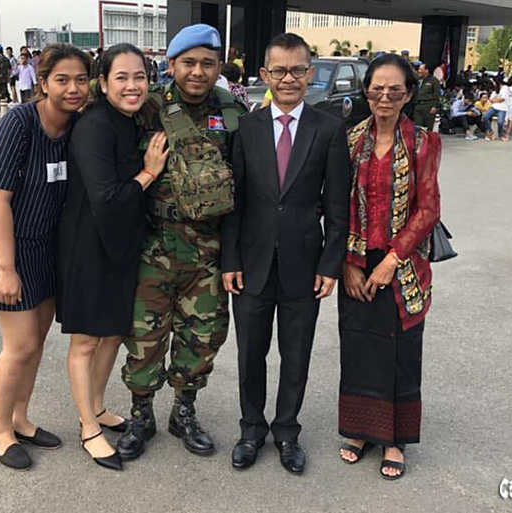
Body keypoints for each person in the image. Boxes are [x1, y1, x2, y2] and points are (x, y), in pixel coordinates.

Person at [116, 24, 250, 462]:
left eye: (207, 64)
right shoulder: (145, 107)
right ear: (171, 64)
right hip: (152, 244)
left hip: (208, 249)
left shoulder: (232, 111)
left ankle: (184, 411)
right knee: (143, 336)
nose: (197, 71)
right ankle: (141, 414)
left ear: (219, 67)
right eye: (188, 62)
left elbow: (246, 183)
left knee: (203, 337)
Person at [221, 33, 351, 475]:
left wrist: (330, 264)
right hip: (251, 263)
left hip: (304, 264)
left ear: (310, 74)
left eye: (297, 70)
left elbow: (337, 207)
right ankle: (251, 430)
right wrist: (230, 259)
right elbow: (235, 202)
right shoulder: (247, 128)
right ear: (265, 74)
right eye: (279, 70)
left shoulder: (328, 130)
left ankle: (287, 432)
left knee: (296, 356)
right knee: (250, 355)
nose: (288, 78)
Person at [0, 42, 91, 471]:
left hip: (48, 245)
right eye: (62, 80)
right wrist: (5, 270)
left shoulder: (77, 126)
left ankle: (21, 419)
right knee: (19, 345)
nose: (73, 88)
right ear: (43, 83)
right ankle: (0, 431)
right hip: (11, 245)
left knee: (37, 341)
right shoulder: (20, 122)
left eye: (81, 79)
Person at [58, 44, 170, 472]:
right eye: (121, 77)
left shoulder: (132, 120)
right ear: (103, 83)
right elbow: (105, 197)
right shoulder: (94, 126)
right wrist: (148, 173)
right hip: (89, 246)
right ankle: (88, 428)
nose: (132, 85)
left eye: (139, 76)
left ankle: (98, 406)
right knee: (86, 340)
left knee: (111, 334)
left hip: (121, 243)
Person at [337, 53, 441, 481]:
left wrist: (392, 260)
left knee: (400, 351)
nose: (384, 97)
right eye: (377, 89)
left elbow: (428, 209)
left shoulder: (423, 142)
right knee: (359, 347)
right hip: (357, 262)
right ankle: (362, 430)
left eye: (394, 90)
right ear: (366, 92)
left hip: (403, 264)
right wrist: (348, 262)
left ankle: (395, 439)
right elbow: (337, 206)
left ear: (408, 95)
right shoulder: (349, 140)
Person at [412, 63, 440, 131]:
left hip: (428, 106)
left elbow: (436, 94)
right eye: (419, 69)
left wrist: (435, 106)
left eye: (421, 69)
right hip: (418, 105)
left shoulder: (433, 80)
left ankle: (428, 138)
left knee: (428, 128)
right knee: (418, 127)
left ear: (426, 70)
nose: (419, 71)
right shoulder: (418, 80)